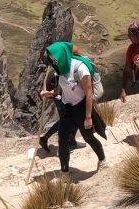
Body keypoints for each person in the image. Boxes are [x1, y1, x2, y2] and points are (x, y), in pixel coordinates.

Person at [40, 41, 107, 179]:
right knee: (62, 140)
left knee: (88, 137)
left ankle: (102, 160)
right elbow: (62, 88)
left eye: (54, 59)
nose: (53, 62)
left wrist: (88, 117)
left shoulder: (80, 69)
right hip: (67, 109)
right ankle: (64, 173)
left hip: (81, 108)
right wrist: (51, 93)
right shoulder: (61, 69)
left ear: (62, 55)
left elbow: (89, 93)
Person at [38, 69, 85, 153]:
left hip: (60, 96)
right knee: (68, 119)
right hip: (61, 97)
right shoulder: (63, 68)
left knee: (68, 119)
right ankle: (67, 142)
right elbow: (64, 85)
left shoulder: (57, 68)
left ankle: (70, 141)